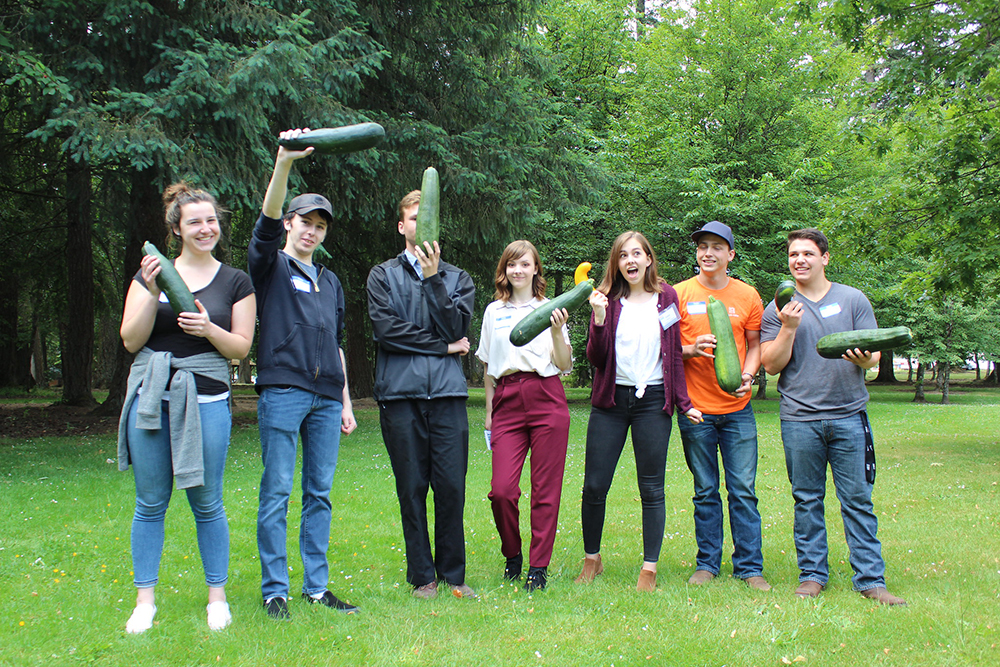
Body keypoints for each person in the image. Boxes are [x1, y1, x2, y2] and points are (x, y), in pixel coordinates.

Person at [118, 183, 256, 633]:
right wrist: (152, 286)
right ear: (176, 228)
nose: (206, 228)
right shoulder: (151, 274)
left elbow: (239, 349)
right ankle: (145, 602)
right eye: (195, 221)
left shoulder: (236, 281)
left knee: (207, 501)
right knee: (150, 502)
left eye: (211, 220)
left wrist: (207, 330)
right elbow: (131, 340)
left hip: (209, 399)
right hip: (151, 397)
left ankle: (217, 598)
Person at [760, 228, 906, 605]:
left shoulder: (852, 299)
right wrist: (789, 327)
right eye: (793, 254)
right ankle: (811, 575)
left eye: (808, 253)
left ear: (824, 258)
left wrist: (867, 359)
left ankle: (871, 579)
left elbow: (874, 354)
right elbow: (771, 365)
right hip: (799, 418)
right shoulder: (778, 306)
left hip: (849, 414)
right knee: (806, 499)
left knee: (857, 498)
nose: (800, 260)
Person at [249, 128, 359, 620]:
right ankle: (276, 589)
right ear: (290, 224)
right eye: (304, 222)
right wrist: (284, 163)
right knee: (277, 491)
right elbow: (265, 222)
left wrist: (347, 402)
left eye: (320, 226)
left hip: (326, 398)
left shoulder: (331, 281)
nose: (311, 231)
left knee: (320, 494)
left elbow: (335, 344)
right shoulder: (269, 265)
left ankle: (316, 588)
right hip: (283, 391)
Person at [576, 231, 702, 592]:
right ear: (616, 263)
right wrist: (599, 318)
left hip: (653, 402)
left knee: (651, 488)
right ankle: (592, 559)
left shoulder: (667, 298)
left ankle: (649, 567)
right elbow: (596, 359)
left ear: (649, 259)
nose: (630, 261)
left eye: (637, 254)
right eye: (622, 256)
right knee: (595, 485)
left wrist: (684, 403)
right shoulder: (607, 300)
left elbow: (674, 354)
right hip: (611, 402)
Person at [366, 189, 476, 599]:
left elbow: (456, 327)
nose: (418, 225)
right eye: (411, 219)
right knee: (411, 487)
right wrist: (444, 347)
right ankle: (423, 578)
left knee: (451, 487)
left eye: (424, 219)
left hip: (447, 396)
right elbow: (386, 331)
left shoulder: (457, 278)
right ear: (402, 226)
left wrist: (432, 279)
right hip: (400, 397)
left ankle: (453, 574)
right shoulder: (382, 275)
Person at [674, 221, 770, 591]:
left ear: (730, 254)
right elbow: (665, 349)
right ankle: (707, 564)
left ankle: (750, 566)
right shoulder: (678, 294)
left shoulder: (748, 296)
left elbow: (755, 344)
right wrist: (691, 349)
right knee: (705, 490)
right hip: (696, 411)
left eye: (716, 247)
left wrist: (749, 372)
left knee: (743, 488)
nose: (708, 253)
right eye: (702, 247)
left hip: (737, 409)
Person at [476, 240, 572, 593]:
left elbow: (563, 364)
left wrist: (559, 330)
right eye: (511, 264)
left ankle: (538, 567)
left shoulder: (552, 309)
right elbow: (488, 368)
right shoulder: (492, 312)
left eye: (525, 264)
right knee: (502, 491)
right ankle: (512, 554)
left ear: (536, 270)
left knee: (545, 489)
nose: (518, 270)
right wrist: (489, 412)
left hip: (547, 395)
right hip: (506, 399)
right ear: (505, 270)